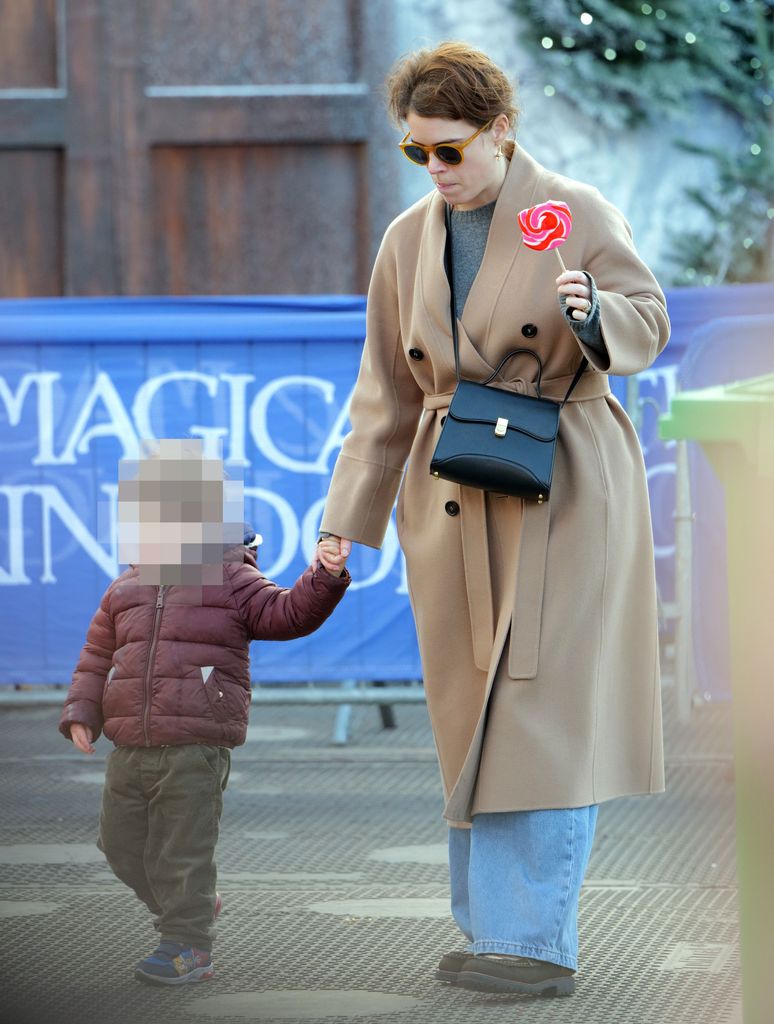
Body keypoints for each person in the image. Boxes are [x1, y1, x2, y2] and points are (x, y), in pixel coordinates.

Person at [316, 42, 669, 997]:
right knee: (472, 713)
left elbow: (648, 317)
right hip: (454, 498)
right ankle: (490, 932)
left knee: (540, 710)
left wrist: (594, 312)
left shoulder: (578, 212)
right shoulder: (405, 239)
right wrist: (345, 521)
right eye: (415, 152)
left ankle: (532, 943)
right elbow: (384, 397)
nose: (435, 168)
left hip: (565, 486)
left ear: (502, 131)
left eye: (450, 148)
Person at [59, 440, 350, 985]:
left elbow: (287, 614)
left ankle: (187, 945)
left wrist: (324, 577)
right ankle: (187, 908)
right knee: (120, 845)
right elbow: (97, 654)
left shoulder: (232, 578)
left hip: (195, 745)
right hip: (130, 745)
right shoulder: (125, 586)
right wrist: (82, 710)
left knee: (182, 852)